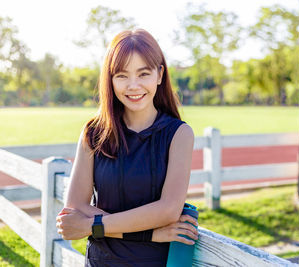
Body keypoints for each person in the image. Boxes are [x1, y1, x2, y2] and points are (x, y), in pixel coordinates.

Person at [55, 29, 198, 267]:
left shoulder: (179, 135)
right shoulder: (93, 132)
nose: (133, 86)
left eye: (143, 74)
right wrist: (150, 233)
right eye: (122, 75)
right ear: (109, 79)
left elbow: (168, 211)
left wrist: (93, 225)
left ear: (159, 74)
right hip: (100, 261)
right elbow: (75, 209)